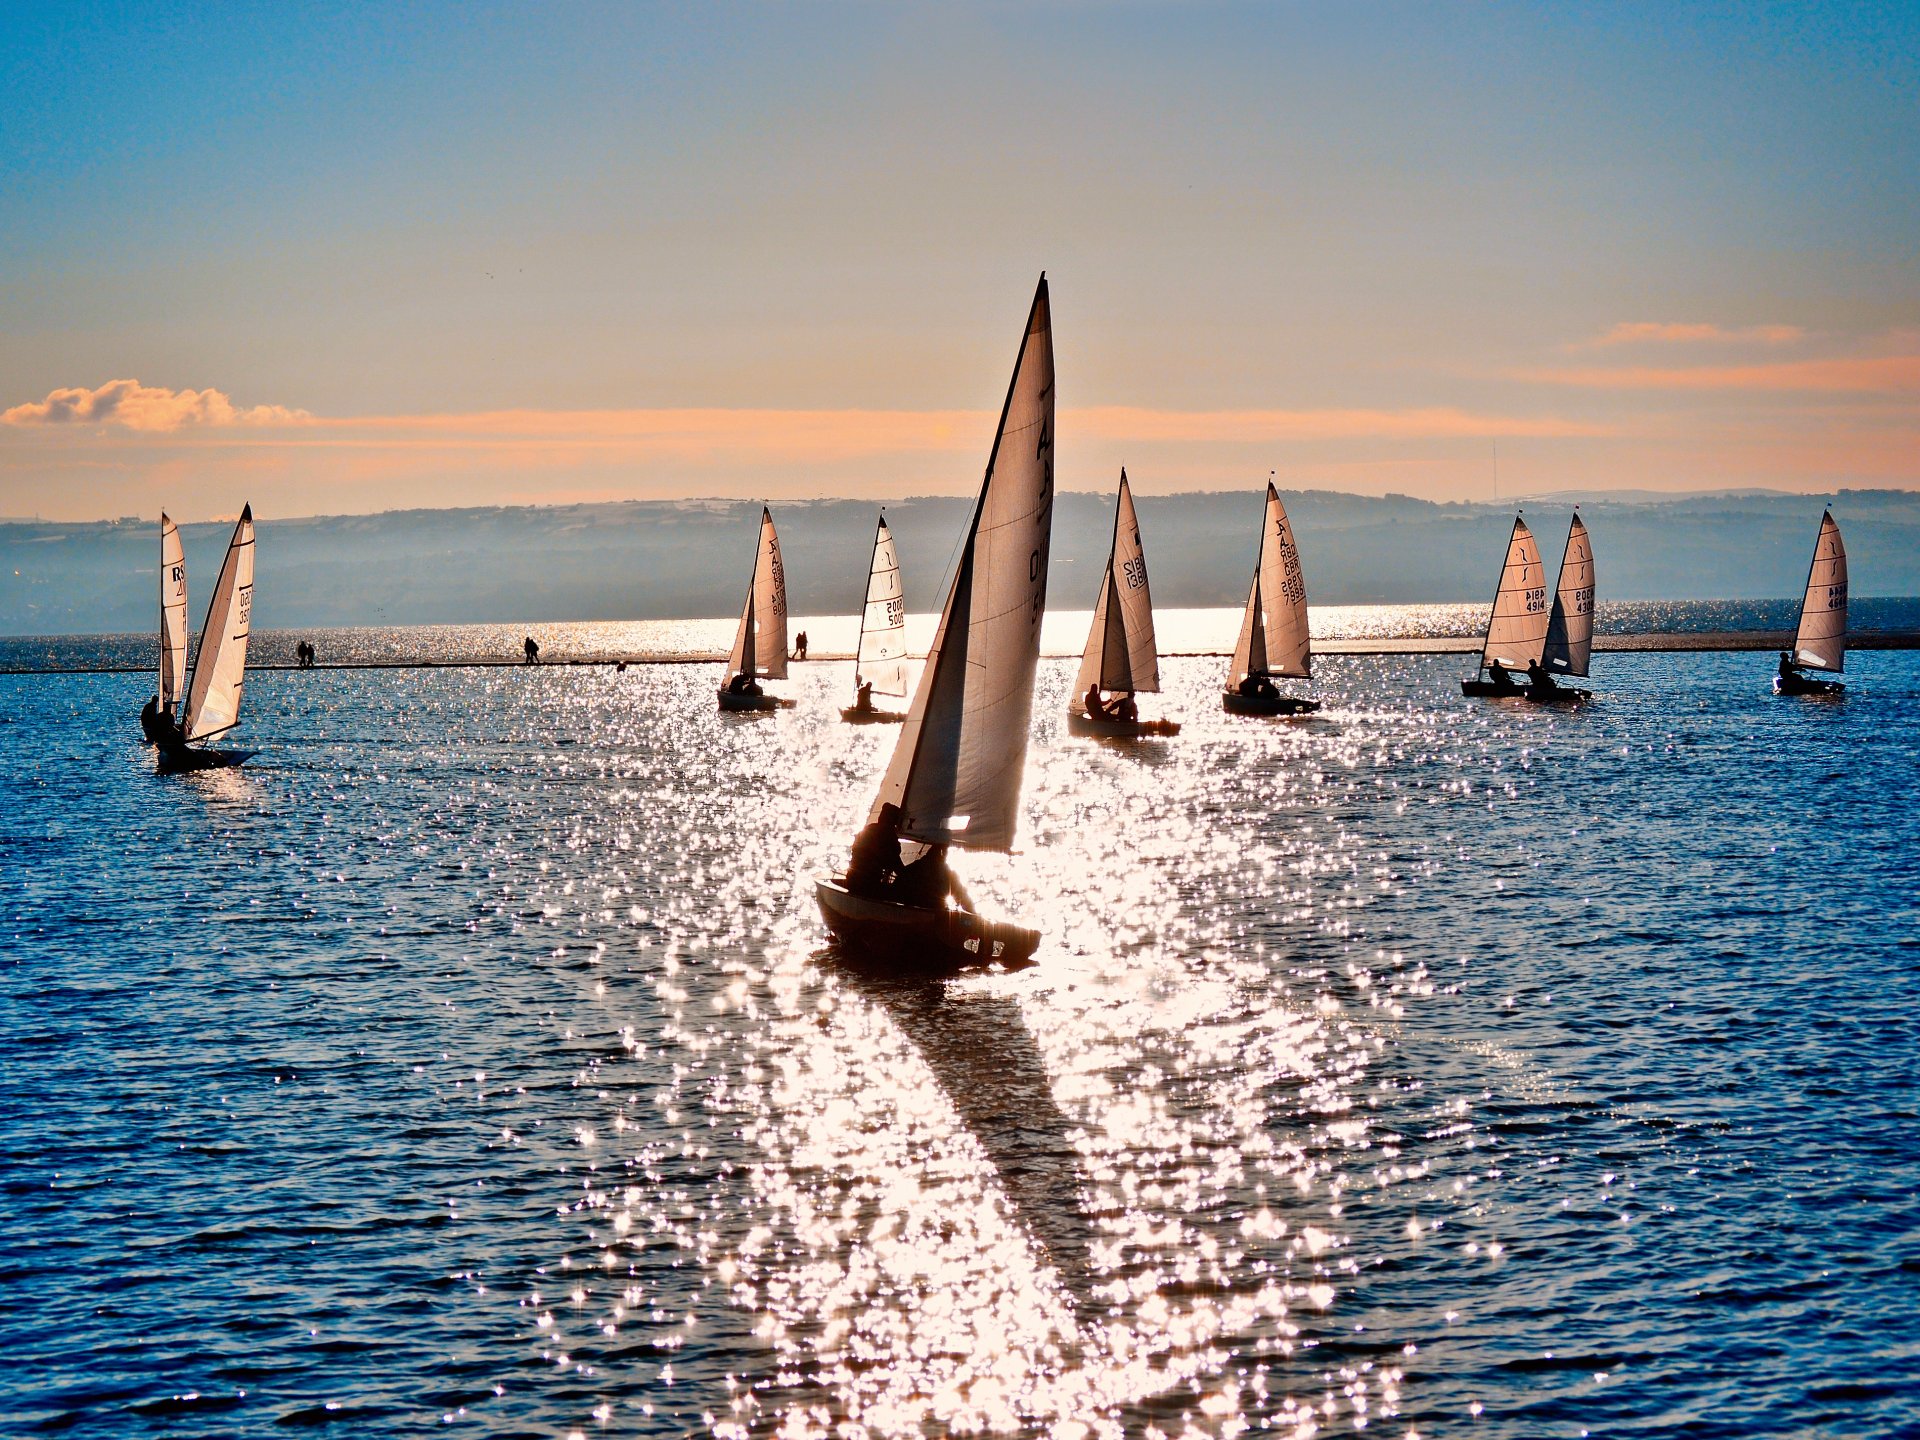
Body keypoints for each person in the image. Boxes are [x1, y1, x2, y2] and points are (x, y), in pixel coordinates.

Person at [845, 803, 904, 898]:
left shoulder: (867, 830)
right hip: (868, 887)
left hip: (852, 882)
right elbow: (895, 864)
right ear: (894, 822)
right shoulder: (888, 837)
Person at [897, 841, 973, 912]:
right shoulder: (949, 875)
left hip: (913, 910)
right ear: (942, 852)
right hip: (931, 912)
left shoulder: (913, 868)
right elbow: (964, 900)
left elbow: (897, 889)